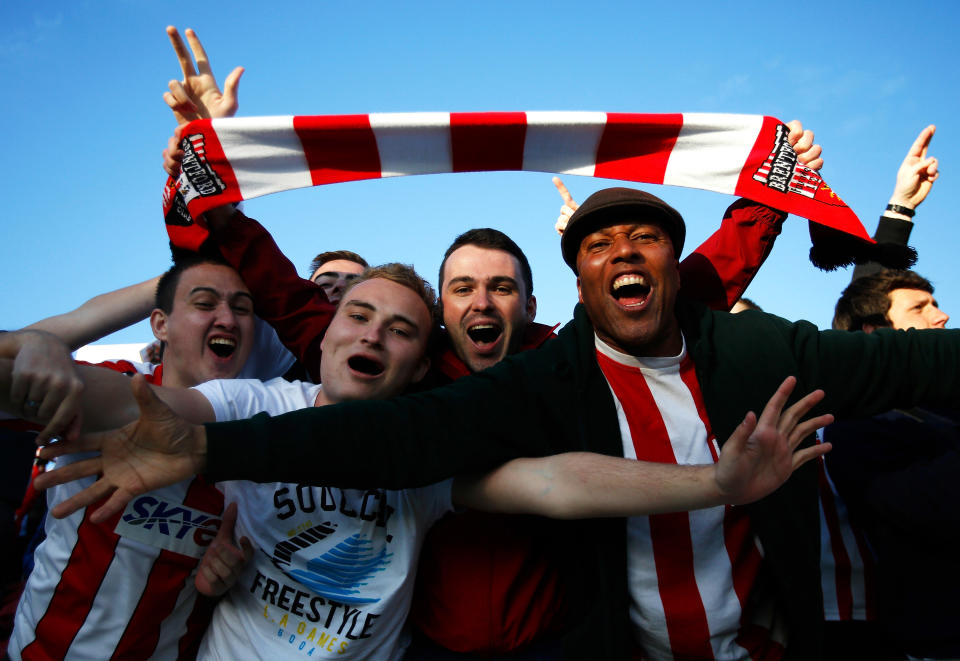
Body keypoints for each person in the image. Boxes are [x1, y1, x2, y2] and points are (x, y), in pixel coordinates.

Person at [32, 179, 960, 661]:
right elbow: (326, 371)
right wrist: (187, 430)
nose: (483, 302)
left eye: (503, 287)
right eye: (462, 288)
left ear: (527, 305)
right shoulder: (416, 380)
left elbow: (692, 294)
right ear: (444, 311)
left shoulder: (564, 364)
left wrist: (763, 194)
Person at [4, 265, 830, 660]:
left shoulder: (423, 450)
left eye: (400, 329)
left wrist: (716, 484)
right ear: (320, 335)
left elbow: (553, 480)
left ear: (417, 360)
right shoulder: (256, 406)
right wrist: (42, 355)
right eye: (356, 315)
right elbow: (148, 409)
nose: (372, 335)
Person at [1, 253, 258, 661]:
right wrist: (36, 341)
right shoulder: (109, 389)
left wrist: (225, 578)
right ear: (160, 325)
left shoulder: (259, 437)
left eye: (242, 309)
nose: (227, 318)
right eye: (205, 303)